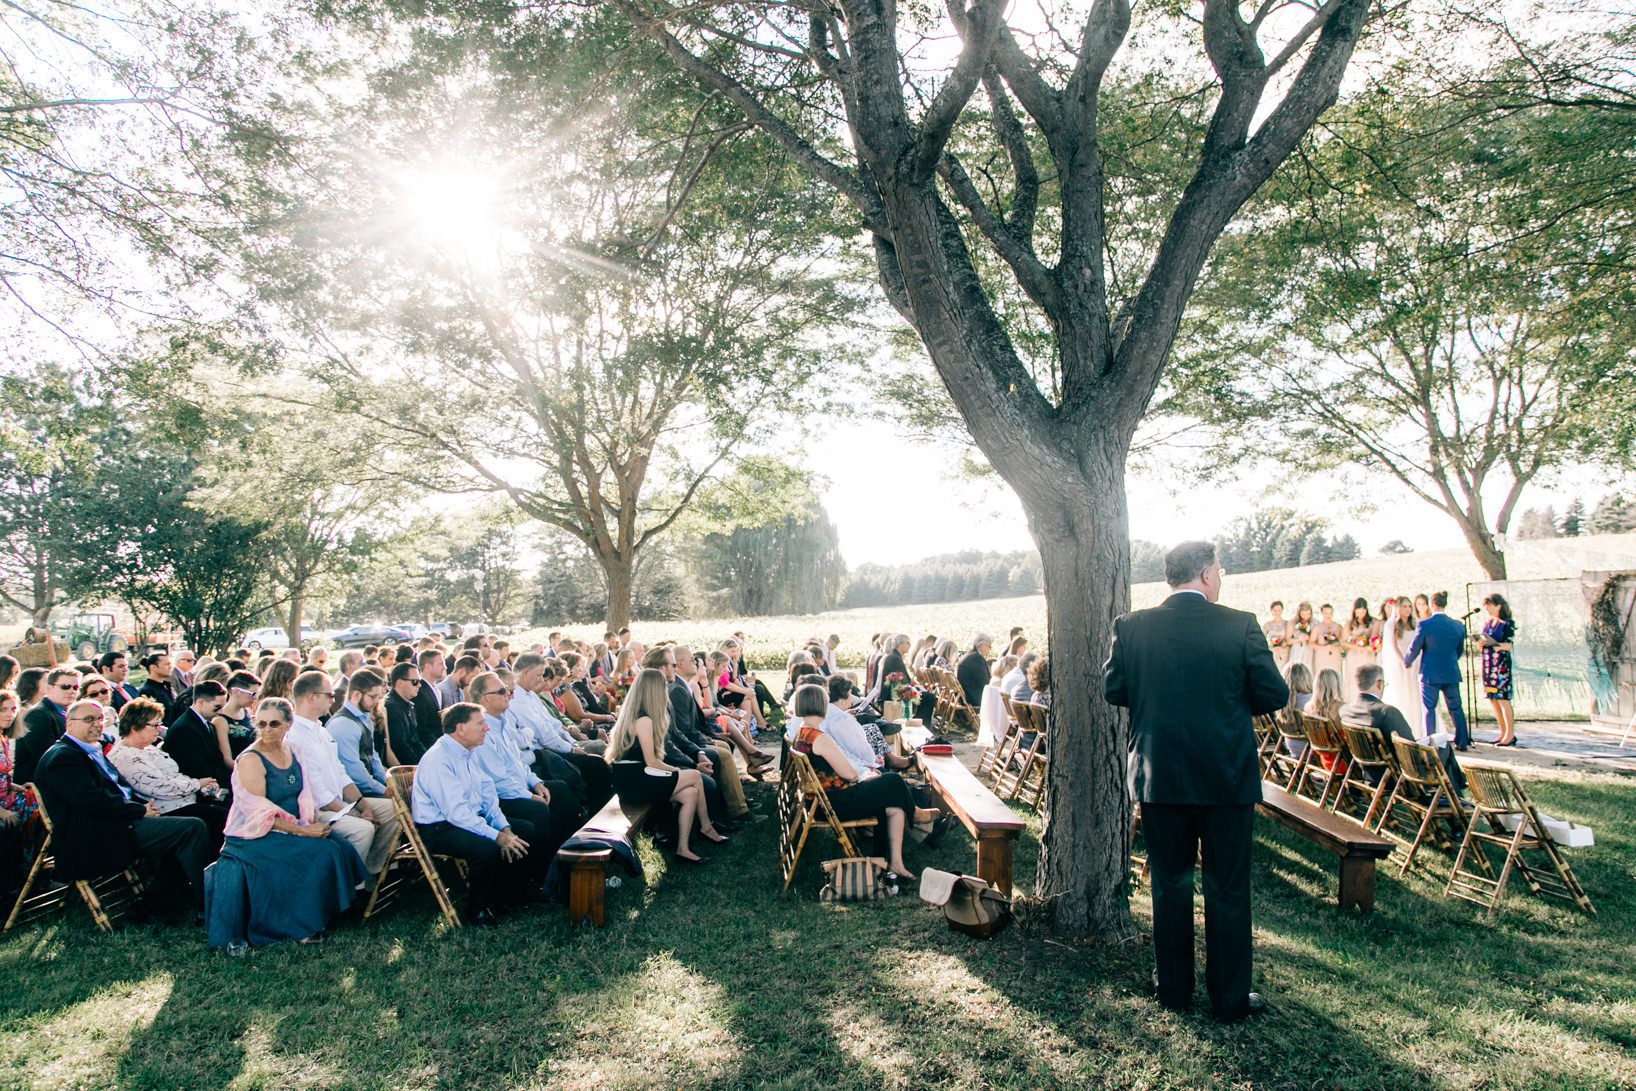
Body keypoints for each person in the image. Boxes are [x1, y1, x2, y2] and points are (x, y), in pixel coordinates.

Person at [1104, 540, 1286, 1022]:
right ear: (1206, 574)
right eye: (1219, 570)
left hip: (1159, 776)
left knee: (1169, 883)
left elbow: (1113, 688)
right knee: (1227, 887)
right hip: (1225, 776)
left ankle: (1173, 989)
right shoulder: (1239, 624)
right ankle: (1229, 998)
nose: (1221, 577)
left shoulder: (1132, 626)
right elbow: (1274, 692)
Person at [206, 696, 367, 950]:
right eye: (261, 724)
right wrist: (303, 831)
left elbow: (305, 795)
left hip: (296, 824)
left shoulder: (294, 750)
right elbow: (257, 811)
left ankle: (328, 912)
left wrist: (308, 823)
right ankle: (299, 927)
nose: (267, 730)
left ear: (288, 725)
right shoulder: (250, 759)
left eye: (274, 724)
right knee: (316, 853)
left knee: (340, 847)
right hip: (256, 834)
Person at [33, 698, 212, 909]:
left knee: (186, 820)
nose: (97, 724)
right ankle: (207, 899)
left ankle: (166, 895)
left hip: (117, 821)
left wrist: (144, 807)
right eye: (89, 719)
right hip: (97, 835)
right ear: (69, 723)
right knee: (192, 827)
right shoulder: (63, 757)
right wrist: (138, 810)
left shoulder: (86, 749)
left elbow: (117, 790)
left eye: (100, 719)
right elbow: (93, 801)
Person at [414, 702, 548, 923]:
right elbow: (457, 814)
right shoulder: (439, 759)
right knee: (485, 848)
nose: (486, 728)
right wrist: (497, 836)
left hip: (466, 819)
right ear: (461, 729)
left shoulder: (467, 752)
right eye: (480, 723)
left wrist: (504, 827)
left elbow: (488, 796)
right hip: (440, 828)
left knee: (524, 829)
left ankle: (512, 894)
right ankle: (478, 910)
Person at [788, 684, 933, 880]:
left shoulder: (802, 732)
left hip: (821, 801)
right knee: (892, 780)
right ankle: (914, 814)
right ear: (821, 705)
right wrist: (866, 776)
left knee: (892, 805)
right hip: (836, 803)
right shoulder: (819, 738)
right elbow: (850, 775)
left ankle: (894, 863)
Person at [284, 670, 399, 887]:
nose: (334, 698)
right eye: (329, 695)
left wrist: (363, 805)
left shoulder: (319, 729)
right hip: (317, 811)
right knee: (362, 829)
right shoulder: (296, 736)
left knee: (393, 810)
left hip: (339, 802)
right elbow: (317, 792)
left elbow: (340, 773)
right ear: (311, 697)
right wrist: (353, 812)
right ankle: (350, 888)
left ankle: (370, 870)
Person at [603, 668, 726, 864]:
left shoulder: (638, 715)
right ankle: (706, 827)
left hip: (635, 777)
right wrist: (676, 771)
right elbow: (652, 761)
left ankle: (683, 849)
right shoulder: (643, 719)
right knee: (694, 776)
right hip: (634, 782)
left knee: (690, 793)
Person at [465, 672, 576, 856]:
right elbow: (498, 781)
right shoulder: (482, 731)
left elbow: (517, 763)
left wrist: (535, 783)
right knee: (538, 810)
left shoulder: (502, 722)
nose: (508, 694)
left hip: (518, 786)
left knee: (560, 790)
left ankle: (571, 852)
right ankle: (544, 866)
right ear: (485, 699)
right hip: (502, 796)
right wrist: (529, 795)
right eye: (502, 691)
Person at [107, 697, 229, 847]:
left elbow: (174, 776)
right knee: (221, 817)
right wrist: (197, 784)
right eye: (154, 725)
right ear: (134, 727)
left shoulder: (148, 748)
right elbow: (159, 787)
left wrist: (203, 786)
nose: (159, 729)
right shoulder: (126, 756)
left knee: (229, 804)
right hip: (167, 809)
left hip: (185, 800)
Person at [1340, 663, 1465, 792]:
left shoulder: (1346, 711)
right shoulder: (1386, 712)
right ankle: (1456, 797)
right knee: (1444, 748)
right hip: (1398, 776)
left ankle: (1454, 795)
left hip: (1368, 772)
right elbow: (1410, 748)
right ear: (1378, 683)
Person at [1403, 591, 1471, 749]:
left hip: (1430, 673)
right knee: (1455, 707)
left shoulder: (1425, 625)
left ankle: (1431, 743)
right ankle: (1462, 742)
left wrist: (1407, 661)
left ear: (1432, 604)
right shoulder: (1458, 626)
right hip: (1451, 672)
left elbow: (1415, 647)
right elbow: (1459, 650)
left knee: (1429, 708)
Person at [326, 668, 389, 797]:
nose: (377, 701)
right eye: (373, 696)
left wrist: (389, 782)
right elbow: (354, 771)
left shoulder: (365, 719)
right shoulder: (343, 725)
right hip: (353, 795)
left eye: (378, 696)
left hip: (368, 788)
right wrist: (384, 791)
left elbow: (372, 757)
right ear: (356, 695)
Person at [161, 680, 235, 785]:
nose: (221, 711)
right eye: (217, 707)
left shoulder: (205, 723)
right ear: (200, 702)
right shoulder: (184, 729)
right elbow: (197, 770)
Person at [13, 667, 78, 785]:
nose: (71, 691)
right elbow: (49, 758)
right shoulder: (38, 715)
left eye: (75, 687)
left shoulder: (64, 712)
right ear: (49, 688)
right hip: (38, 788)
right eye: (65, 686)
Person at [0, 688, 37, 899]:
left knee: (38, 802)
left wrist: (13, 785)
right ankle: (16, 879)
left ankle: (31, 872)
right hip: (0, 806)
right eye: (2, 709)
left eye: (13, 709)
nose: (9, 714)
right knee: (13, 820)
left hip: (5, 796)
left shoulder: (3, 738)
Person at [1480, 593, 1518, 746]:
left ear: (1498, 606)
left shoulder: (1507, 624)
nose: (1488, 609)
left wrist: (1494, 645)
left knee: (1503, 699)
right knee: (1493, 699)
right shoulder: (1488, 623)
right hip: (1488, 666)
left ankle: (1510, 733)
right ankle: (1502, 732)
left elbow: (1509, 645)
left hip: (1500, 666)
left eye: (1490, 605)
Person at [1379, 596, 1423, 728]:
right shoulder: (1392, 624)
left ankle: (1418, 724)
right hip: (1400, 661)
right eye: (1404, 606)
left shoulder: (1415, 623)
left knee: (1415, 692)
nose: (1408, 609)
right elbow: (1393, 646)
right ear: (1398, 608)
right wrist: (1403, 661)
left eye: (1409, 606)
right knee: (1402, 692)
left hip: (1415, 660)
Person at [136, 652, 177, 723]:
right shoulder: (146, 691)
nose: (170, 667)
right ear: (153, 667)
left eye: (170, 664)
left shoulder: (167, 687)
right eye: (166, 664)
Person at [956, 634, 993, 709]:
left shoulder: (969, 655)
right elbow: (985, 682)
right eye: (989, 647)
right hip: (973, 698)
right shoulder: (976, 658)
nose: (989, 650)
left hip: (966, 696)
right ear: (982, 645)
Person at [1262, 602, 1290, 668]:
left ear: (1282, 611)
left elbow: (1289, 638)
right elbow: (1262, 640)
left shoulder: (1287, 624)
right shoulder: (1267, 625)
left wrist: (1284, 648)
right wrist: (1271, 647)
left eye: (1279, 610)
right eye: (1275, 610)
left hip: (1284, 651)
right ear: (1271, 611)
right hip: (1272, 651)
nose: (1277, 612)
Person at [1288, 602, 1314, 670]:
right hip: (1297, 649)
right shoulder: (1292, 622)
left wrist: (1308, 637)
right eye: (1303, 614)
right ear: (1299, 613)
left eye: (1308, 614)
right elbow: (1288, 641)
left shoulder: (1314, 622)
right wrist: (1299, 639)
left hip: (1308, 649)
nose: (1306, 616)